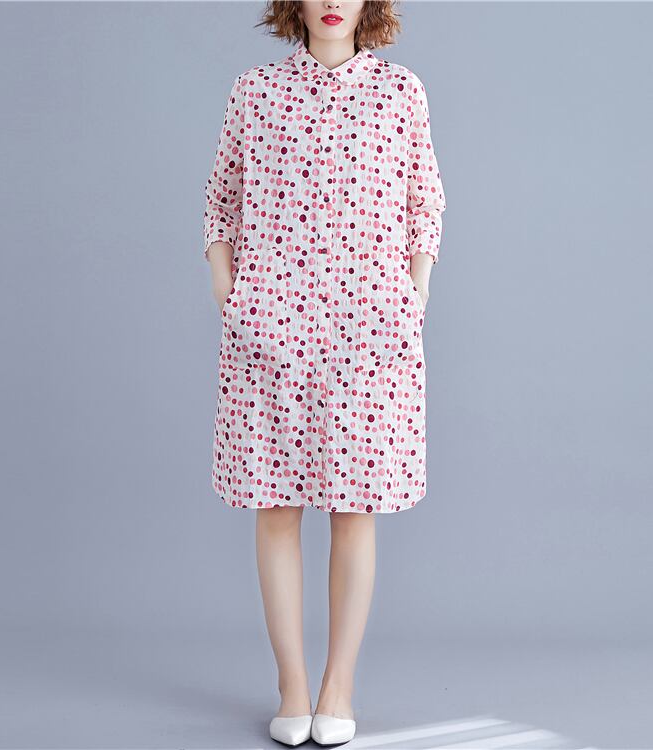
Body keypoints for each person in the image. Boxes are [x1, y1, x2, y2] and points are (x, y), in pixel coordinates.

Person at [203, 0, 445, 744]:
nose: (332, 2)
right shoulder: (255, 91)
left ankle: (339, 686)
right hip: (271, 331)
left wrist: (411, 299)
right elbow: (221, 204)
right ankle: (293, 686)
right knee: (274, 506)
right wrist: (233, 298)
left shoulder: (400, 92)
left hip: (369, 331)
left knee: (354, 507)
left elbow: (424, 204)